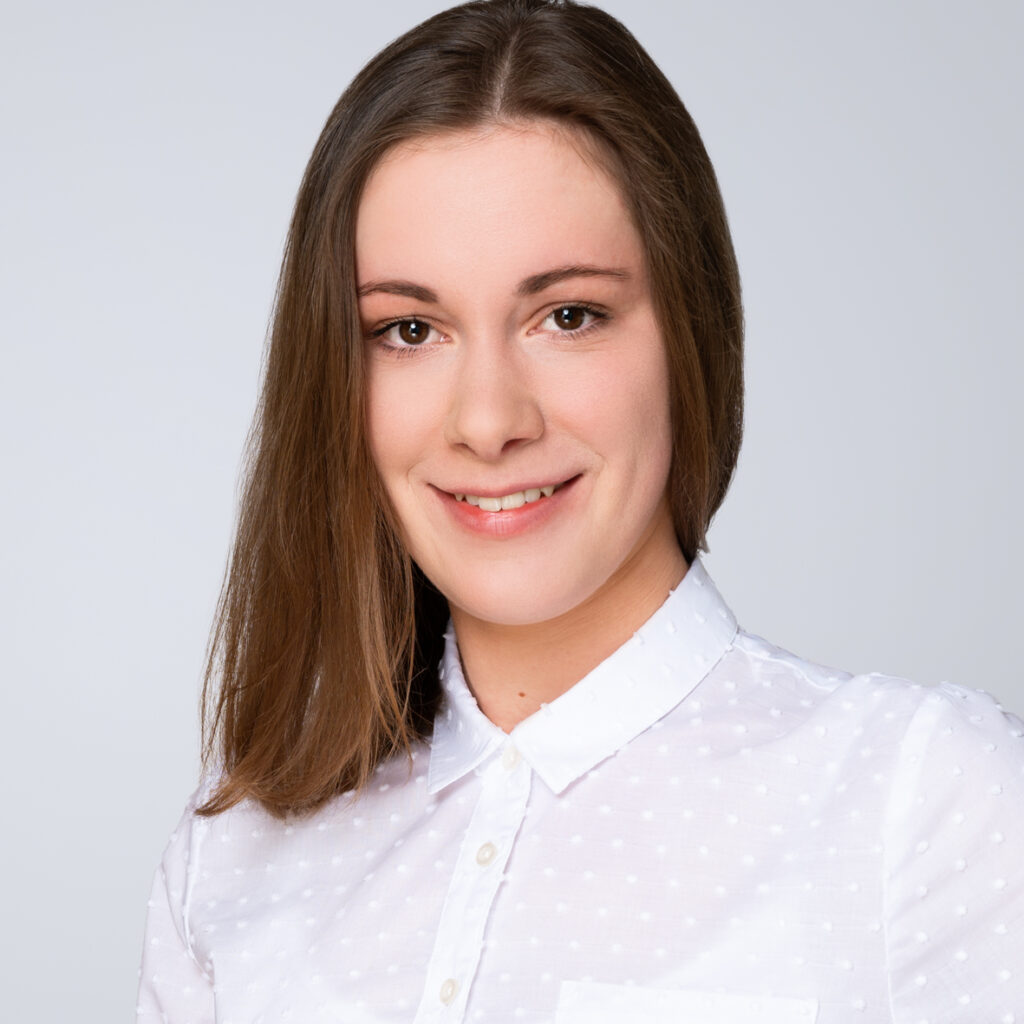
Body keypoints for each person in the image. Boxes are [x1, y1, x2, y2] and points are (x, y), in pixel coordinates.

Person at [136, 1, 1024, 1021]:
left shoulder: (925, 806)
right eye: (410, 330)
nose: (487, 421)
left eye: (567, 316)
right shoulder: (233, 859)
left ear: (689, 337)